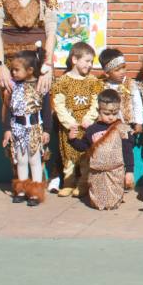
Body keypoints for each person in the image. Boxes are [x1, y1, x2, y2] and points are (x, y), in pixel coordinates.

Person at [51, 42, 103, 197]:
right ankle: (68, 182)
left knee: (86, 155)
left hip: (87, 125)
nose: (90, 65)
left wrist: (89, 118)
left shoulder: (93, 81)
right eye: (87, 61)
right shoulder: (63, 82)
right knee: (69, 155)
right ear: (74, 59)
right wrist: (69, 122)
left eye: (91, 61)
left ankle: (82, 184)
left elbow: (96, 102)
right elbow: (58, 104)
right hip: (70, 125)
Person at [69, 89, 134, 210]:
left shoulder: (122, 128)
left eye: (114, 113)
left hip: (115, 173)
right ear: (99, 111)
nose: (111, 117)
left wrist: (129, 171)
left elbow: (127, 151)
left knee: (112, 203)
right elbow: (83, 147)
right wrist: (73, 140)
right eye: (107, 113)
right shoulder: (92, 129)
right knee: (97, 203)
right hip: (96, 173)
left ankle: (116, 200)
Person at [1, 49, 51, 207]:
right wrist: (7, 129)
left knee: (34, 160)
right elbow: (8, 109)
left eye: (16, 69)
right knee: (21, 160)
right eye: (12, 69)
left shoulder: (40, 87)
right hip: (18, 128)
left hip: (34, 128)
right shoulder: (12, 87)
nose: (13, 72)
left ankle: (35, 192)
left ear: (29, 70)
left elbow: (46, 111)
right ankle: (21, 190)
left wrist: (47, 131)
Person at [98, 48, 142, 192]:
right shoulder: (102, 85)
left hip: (126, 125)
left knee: (126, 149)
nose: (122, 71)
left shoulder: (130, 84)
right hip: (108, 126)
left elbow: (137, 103)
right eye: (117, 69)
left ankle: (127, 177)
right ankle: (111, 179)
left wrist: (139, 122)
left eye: (123, 67)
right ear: (107, 73)